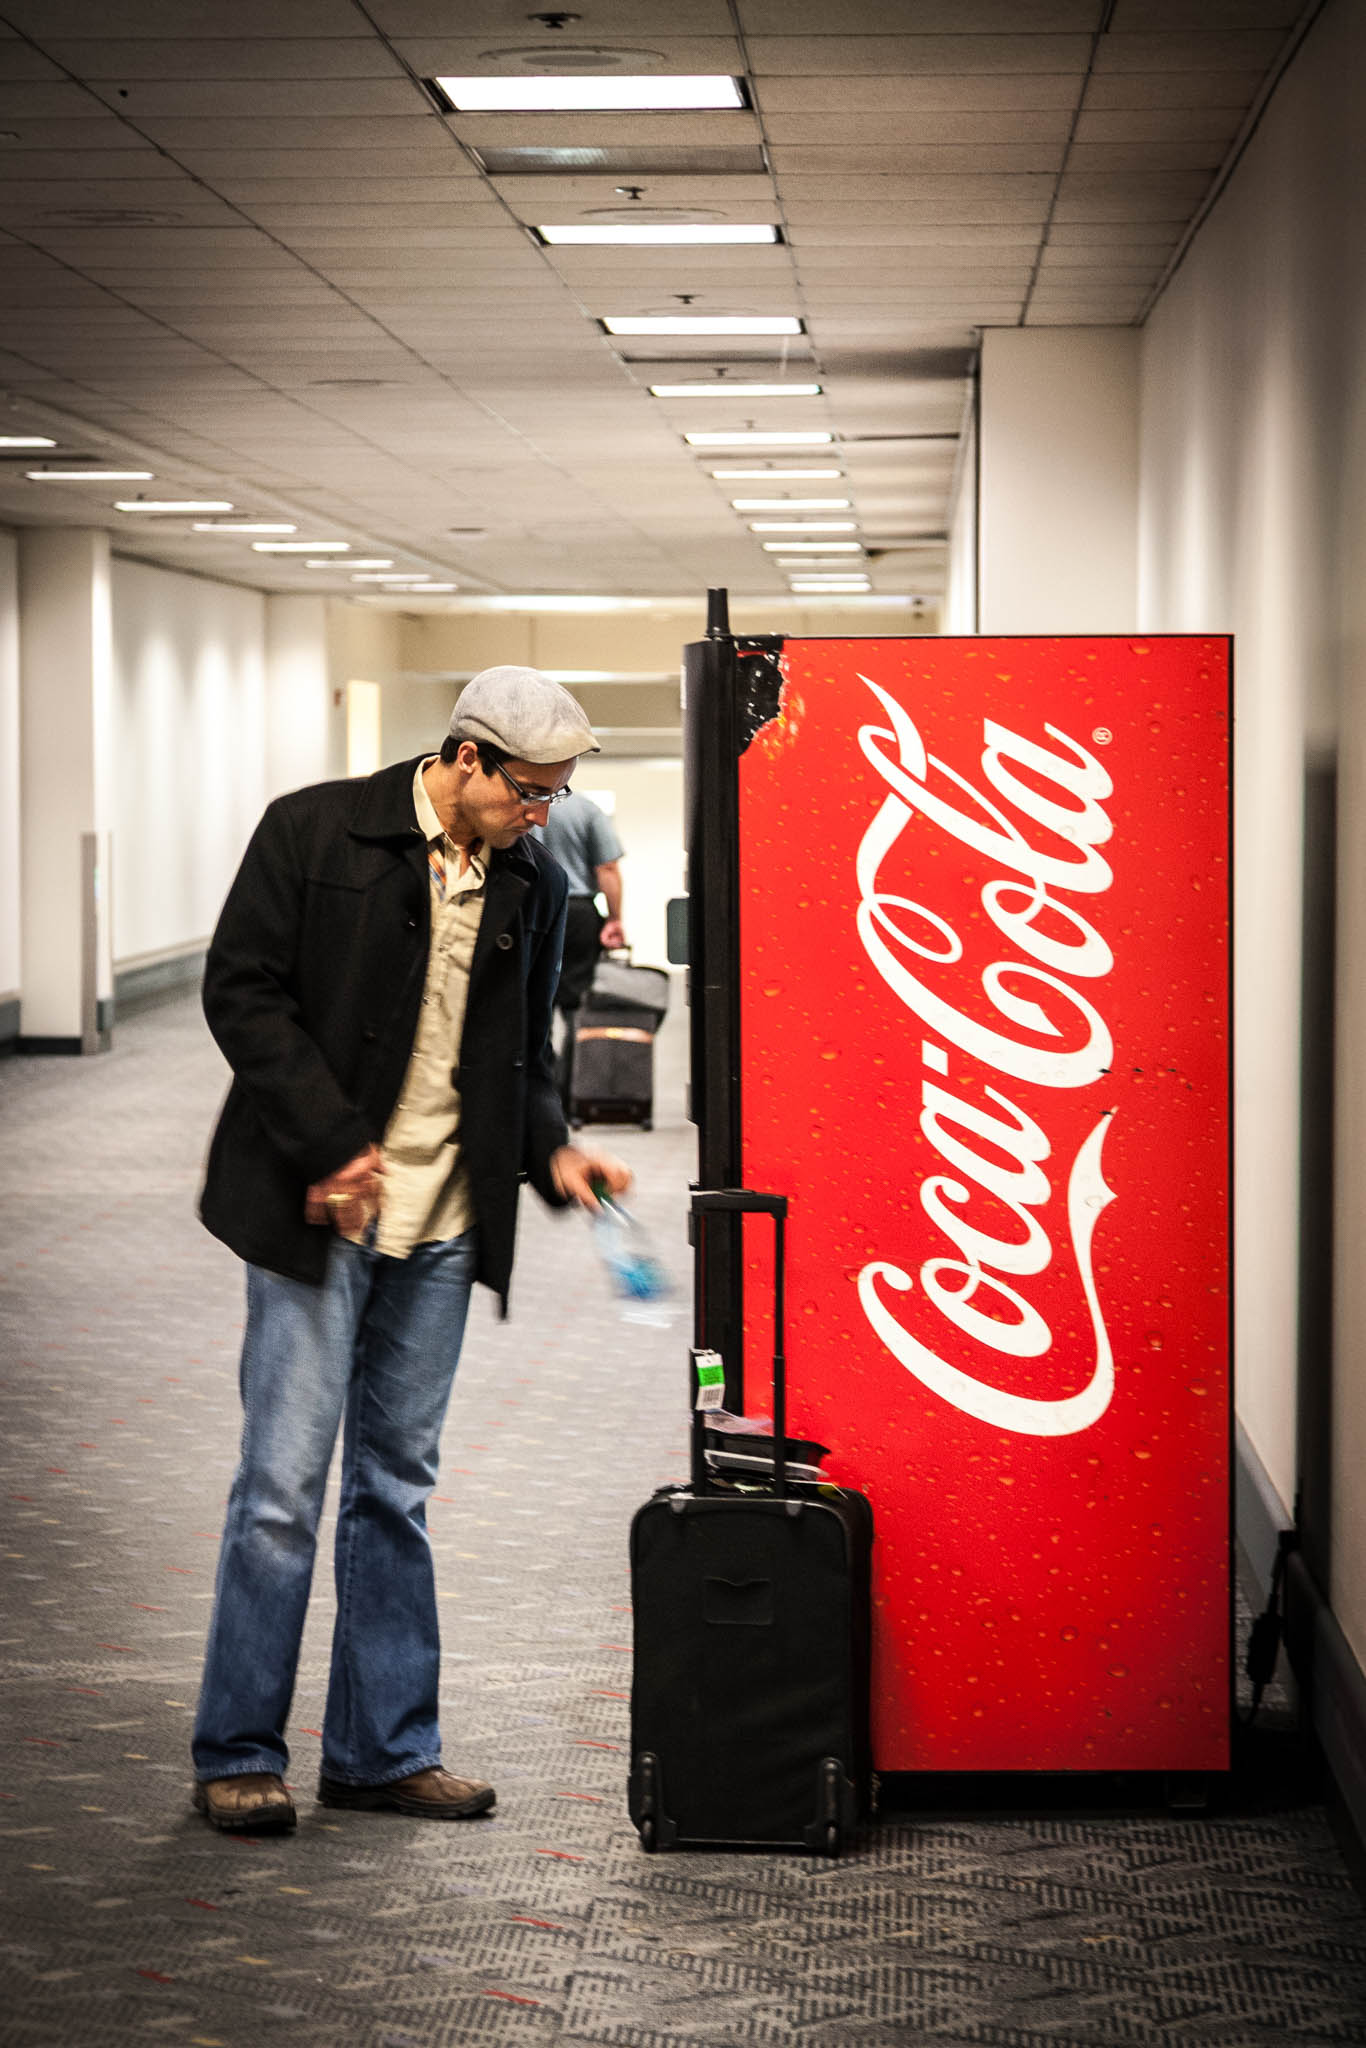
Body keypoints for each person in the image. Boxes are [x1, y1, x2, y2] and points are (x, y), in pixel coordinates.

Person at [190, 665, 630, 1836]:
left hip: (440, 1223)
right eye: (529, 790)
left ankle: (383, 1749)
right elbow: (241, 993)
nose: (543, 811)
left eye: (559, 792)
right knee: (282, 1488)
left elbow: (520, 1048)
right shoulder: (315, 828)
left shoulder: (530, 879)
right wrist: (332, 1143)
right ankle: (238, 1748)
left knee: (394, 1487)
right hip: (318, 1211)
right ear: (468, 759)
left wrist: (554, 1152)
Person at [536, 788, 625, 1110]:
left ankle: (538, 1092)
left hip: (528, 907)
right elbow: (607, 869)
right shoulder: (587, 811)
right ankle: (573, 1093)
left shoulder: (522, 806)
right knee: (576, 1006)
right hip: (577, 912)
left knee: (534, 1004)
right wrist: (615, 919)